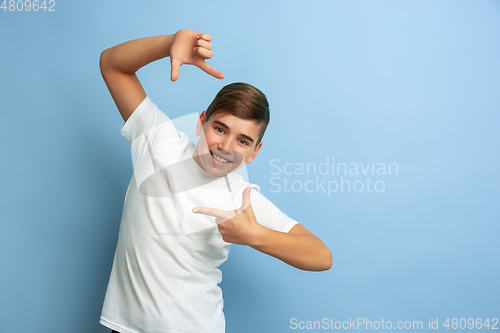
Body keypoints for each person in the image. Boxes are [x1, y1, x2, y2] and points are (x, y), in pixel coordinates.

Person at [99, 29, 332, 333]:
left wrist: (255, 235)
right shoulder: (159, 142)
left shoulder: (241, 198)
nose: (226, 147)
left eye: (243, 141)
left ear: (254, 153)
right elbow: (112, 65)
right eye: (220, 129)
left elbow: (321, 255)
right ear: (201, 122)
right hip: (126, 327)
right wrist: (168, 44)